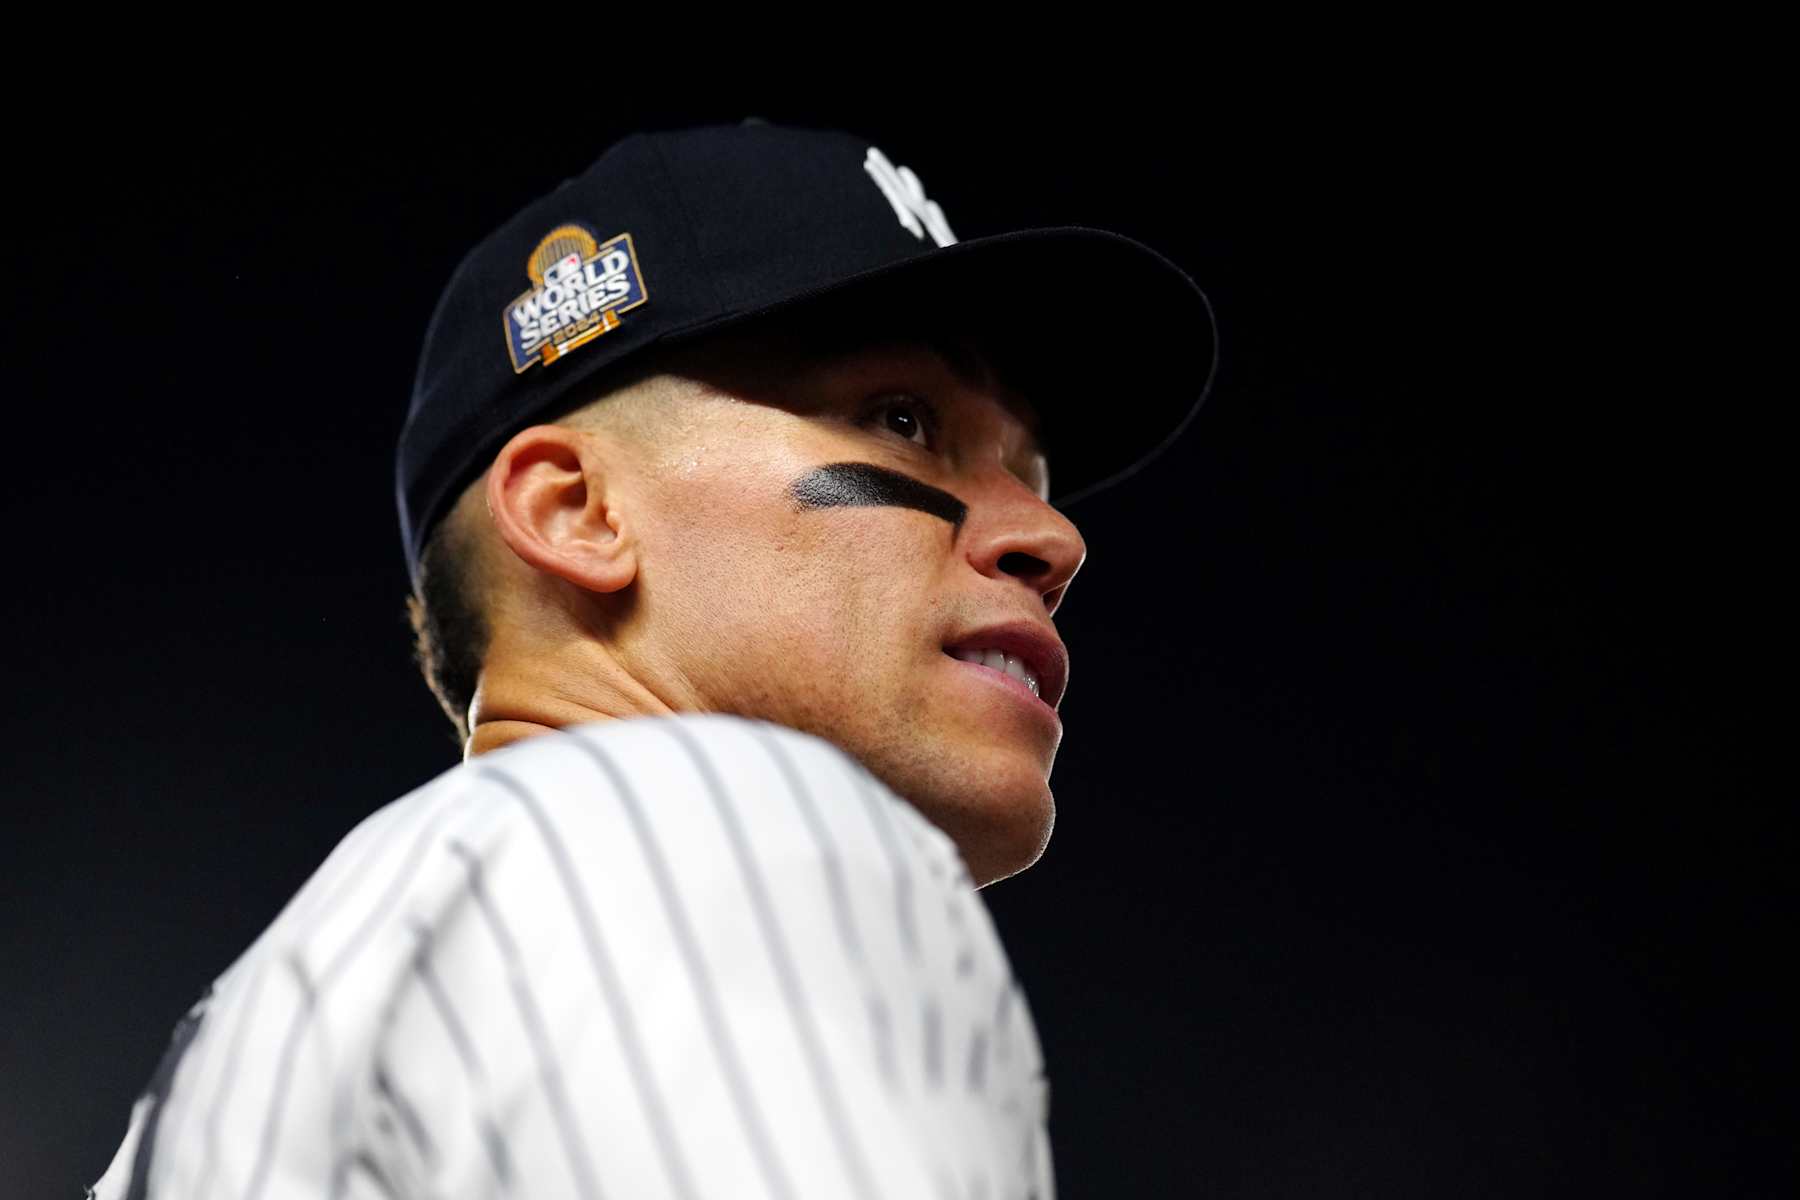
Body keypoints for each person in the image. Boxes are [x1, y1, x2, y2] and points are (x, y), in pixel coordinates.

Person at [86, 119, 1217, 1199]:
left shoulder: (282, 1003)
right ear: (578, 511)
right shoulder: (696, 832)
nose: (1051, 537)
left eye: (1032, 474)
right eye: (902, 420)